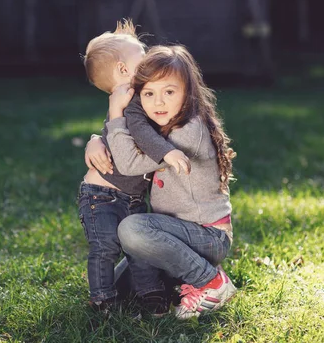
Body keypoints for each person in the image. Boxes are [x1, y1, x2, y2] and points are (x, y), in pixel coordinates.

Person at [104, 44, 238, 319]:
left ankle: (210, 281)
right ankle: (178, 280)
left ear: (188, 92)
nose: (159, 102)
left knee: (132, 229)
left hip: (208, 236)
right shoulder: (161, 127)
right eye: (149, 94)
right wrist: (96, 142)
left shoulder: (187, 132)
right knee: (115, 287)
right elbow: (128, 143)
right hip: (175, 234)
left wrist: (115, 114)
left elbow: (128, 162)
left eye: (169, 92)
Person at [78, 20, 190, 316]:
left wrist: (93, 139)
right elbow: (140, 133)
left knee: (140, 248)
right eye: (142, 54)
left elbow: (111, 132)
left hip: (131, 196)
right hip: (100, 195)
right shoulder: (128, 99)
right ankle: (103, 299)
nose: (149, 55)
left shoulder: (130, 96)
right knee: (105, 247)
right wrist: (167, 154)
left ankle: (151, 294)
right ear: (123, 70)